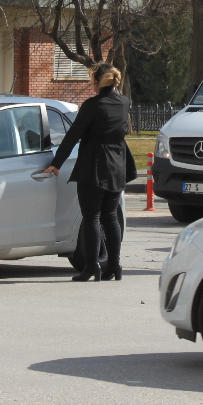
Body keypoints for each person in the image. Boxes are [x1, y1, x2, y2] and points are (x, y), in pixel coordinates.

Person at [44, 63, 131, 282]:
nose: (90, 83)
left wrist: (57, 163)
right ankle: (114, 265)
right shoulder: (124, 102)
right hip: (117, 166)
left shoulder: (93, 105)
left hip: (94, 166)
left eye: (91, 79)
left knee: (92, 216)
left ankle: (92, 266)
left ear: (97, 81)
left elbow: (73, 135)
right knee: (111, 217)